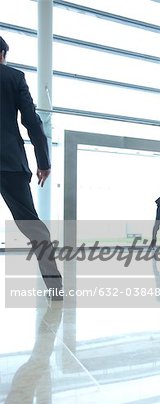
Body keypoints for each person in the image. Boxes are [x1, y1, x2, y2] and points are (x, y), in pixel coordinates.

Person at [0, 36, 63, 300]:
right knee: (34, 227)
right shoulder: (13, 77)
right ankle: (55, 290)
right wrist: (43, 162)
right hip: (9, 162)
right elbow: (32, 122)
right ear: (2, 53)